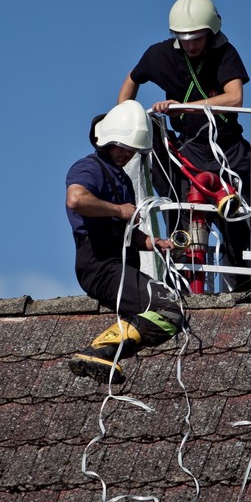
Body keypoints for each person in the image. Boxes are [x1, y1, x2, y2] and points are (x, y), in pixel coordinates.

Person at [118, 0, 251, 287]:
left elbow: (235, 97)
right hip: (189, 149)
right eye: (183, 37)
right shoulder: (159, 54)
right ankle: (182, 283)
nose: (190, 43)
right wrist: (123, 120)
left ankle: (242, 288)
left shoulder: (225, 53)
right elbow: (132, 78)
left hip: (229, 149)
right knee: (180, 214)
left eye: (196, 37)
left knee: (236, 226)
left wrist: (180, 107)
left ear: (211, 33)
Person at [66, 100, 185, 385]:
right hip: (99, 263)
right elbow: (76, 199)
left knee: (168, 311)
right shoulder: (89, 167)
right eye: (123, 147)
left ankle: (105, 353)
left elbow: (124, 234)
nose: (127, 154)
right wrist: (119, 210)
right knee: (167, 307)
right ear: (107, 140)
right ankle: (99, 351)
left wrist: (152, 242)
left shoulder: (121, 179)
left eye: (132, 150)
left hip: (114, 260)